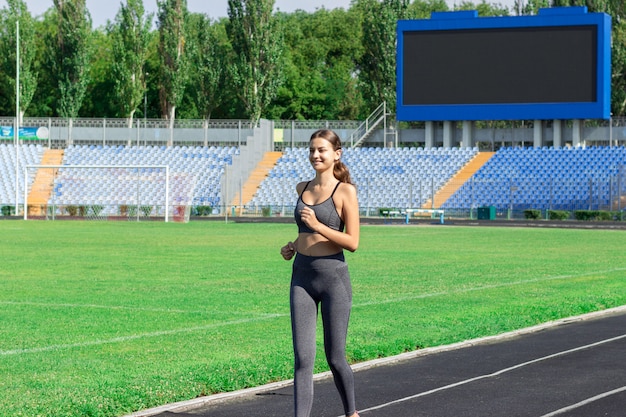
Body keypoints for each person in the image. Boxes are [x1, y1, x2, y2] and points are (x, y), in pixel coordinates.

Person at [280, 129, 360, 417]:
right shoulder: (302, 187)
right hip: (301, 276)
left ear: (336, 154)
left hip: (333, 279)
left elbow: (352, 242)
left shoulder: (345, 191)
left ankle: (351, 413)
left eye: (322, 150)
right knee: (302, 359)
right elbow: (305, 232)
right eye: (312, 150)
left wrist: (318, 225)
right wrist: (292, 246)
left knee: (335, 357)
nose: (315, 155)